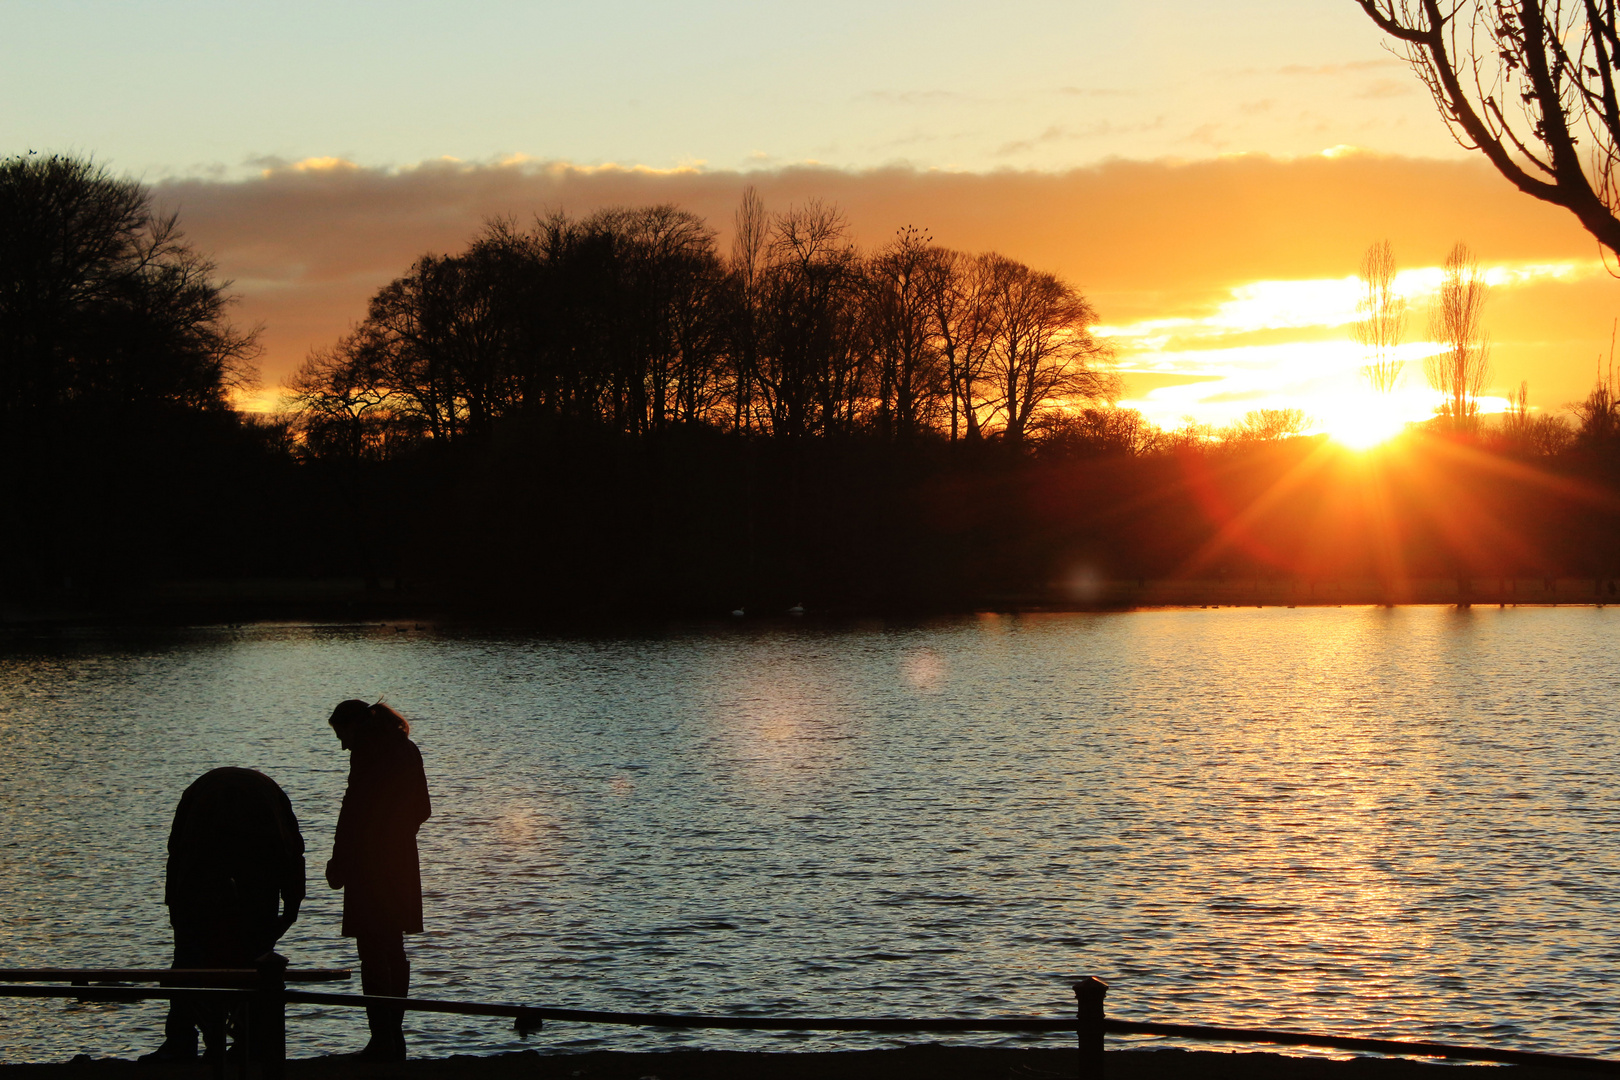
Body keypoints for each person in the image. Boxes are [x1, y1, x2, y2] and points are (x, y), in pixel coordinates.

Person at [140, 767, 305, 1063]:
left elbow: (176, 853)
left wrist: (176, 911)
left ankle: (182, 1041)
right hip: (250, 866)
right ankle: (248, 1042)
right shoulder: (267, 799)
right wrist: (291, 905)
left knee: (190, 959)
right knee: (253, 958)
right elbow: (292, 851)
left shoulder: (203, 798)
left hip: (212, 870)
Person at [325, 699, 431, 1061]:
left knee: (371, 950)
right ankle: (394, 1036)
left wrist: (341, 859)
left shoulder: (368, 752)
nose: (343, 745)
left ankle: (380, 1039)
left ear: (355, 727)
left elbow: (352, 810)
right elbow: (423, 809)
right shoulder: (406, 748)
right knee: (393, 948)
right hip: (401, 862)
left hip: (368, 865)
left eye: (343, 736)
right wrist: (399, 836)